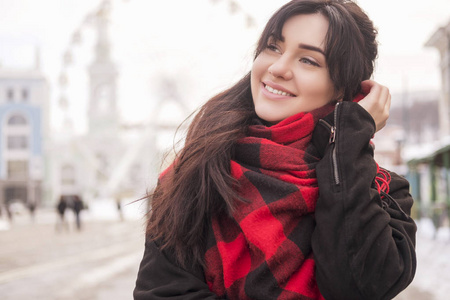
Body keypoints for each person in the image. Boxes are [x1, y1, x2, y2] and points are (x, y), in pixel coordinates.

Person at [134, 1, 417, 299]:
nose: (278, 68)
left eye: (308, 60)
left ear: (342, 89)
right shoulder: (196, 175)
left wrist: (348, 143)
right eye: (273, 47)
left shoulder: (386, 194)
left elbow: (357, 288)